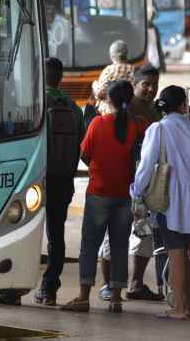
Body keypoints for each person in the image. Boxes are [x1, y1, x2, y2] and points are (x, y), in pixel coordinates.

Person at [132, 85, 190, 321]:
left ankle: (180, 308)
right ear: (183, 106)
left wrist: (137, 191)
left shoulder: (158, 129)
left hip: (170, 199)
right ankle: (188, 306)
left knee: (175, 253)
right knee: (185, 251)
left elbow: (146, 165)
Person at [61, 80, 147, 314]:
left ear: (108, 99)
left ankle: (83, 297)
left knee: (90, 246)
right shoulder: (140, 126)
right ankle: (116, 300)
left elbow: (85, 155)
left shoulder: (98, 123)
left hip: (99, 193)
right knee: (120, 246)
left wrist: (99, 168)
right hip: (126, 195)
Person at [97, 65, 163, 302]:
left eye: (154, 84)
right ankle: (106, 284)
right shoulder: (123, 108)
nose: (151, 89)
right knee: (112, 236)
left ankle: (136, 284)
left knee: (145, 235)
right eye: (146, 84)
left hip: (146, 184)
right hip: (120, 184)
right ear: (135, 85)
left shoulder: (156, 111)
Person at [29, 57, 85, 307]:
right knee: (56, 235)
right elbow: (82, 146)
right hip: (62, 179)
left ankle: (9, 289)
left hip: (33, 180)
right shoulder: (73, 107)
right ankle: (49, 289)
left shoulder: (34, 103)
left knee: (20, 231)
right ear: (61, 77)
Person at [92, 40, 134, 116]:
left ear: (112, 56)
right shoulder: (133, 70)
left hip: (109, 113)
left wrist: (94, 85)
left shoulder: (108, 70)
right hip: (129, 112)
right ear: (126, 54)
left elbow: (100, 93)